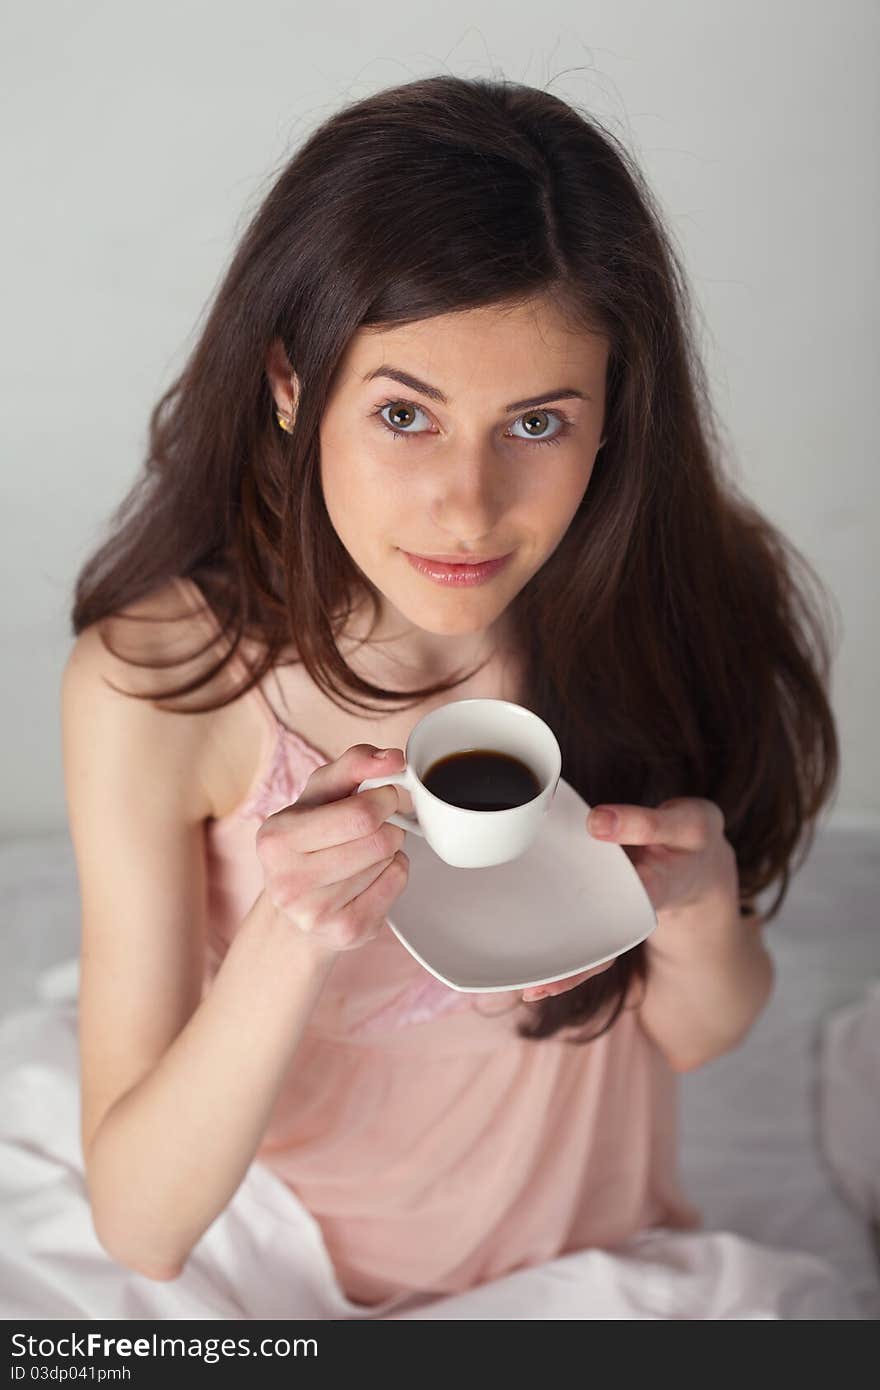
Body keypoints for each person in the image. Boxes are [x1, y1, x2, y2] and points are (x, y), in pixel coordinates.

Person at [61, 74, 839, 1314]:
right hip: (286, 1277)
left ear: (612, 418)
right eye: (405, 414)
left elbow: (695, 1036)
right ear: (288, 384)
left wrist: (693, 908)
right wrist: (290, 925)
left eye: (535, 424)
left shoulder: (682, 603)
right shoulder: (167, 685)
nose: (468, 508)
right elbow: (144, 1226)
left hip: (594, 1270)